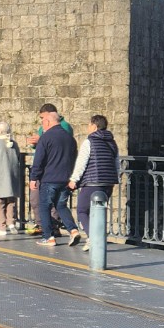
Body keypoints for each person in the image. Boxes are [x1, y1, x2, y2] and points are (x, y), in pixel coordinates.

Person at [28, 104, 78, 247]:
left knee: (45, 206)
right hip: (65, 178)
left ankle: (48, 237)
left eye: (43, 121)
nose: (42, 124)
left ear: (48, 122)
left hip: (49, 178)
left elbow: (39, 159)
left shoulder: (46, 137)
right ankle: (73, 230)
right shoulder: (70, 138)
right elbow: (74, 157)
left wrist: (33, 178)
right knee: (61, 205)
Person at [68, 114, 120, 243]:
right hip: (108, 184)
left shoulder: (89, 142)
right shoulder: (112, 143)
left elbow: (81, 162)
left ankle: (94, 239)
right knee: (98, 212)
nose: (88, 127)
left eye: (89, 125)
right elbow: (116, 164)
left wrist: (74, 180)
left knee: (82, 210)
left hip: (92, 183)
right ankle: (98, 238)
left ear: (95, 126)